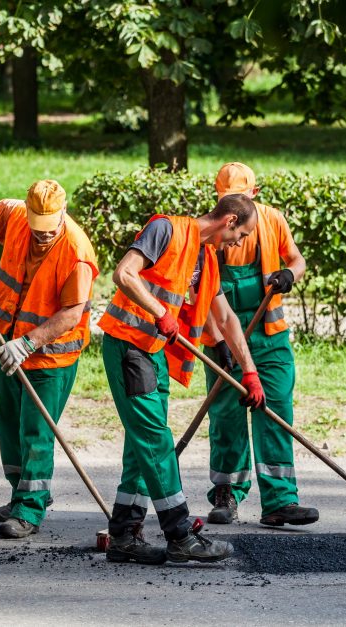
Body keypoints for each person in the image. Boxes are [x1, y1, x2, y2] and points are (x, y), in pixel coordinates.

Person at [97, 194, 266, 565]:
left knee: (140, 445)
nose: (238, 243)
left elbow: (227, 320)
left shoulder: (205, 258)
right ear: (230, 220)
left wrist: (249, 371)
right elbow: (123, 273)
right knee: (156, 440)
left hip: (152, 352)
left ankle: (125, 534)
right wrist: (160, 312)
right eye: (242, 234)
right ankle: (179, 534)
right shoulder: (166, 230)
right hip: (128, 346)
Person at [0, 180, 98, 539]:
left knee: (36, 433)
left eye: (49, 230)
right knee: (10, 428)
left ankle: (31, 509)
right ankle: (21, 495)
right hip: (9, 346)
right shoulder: (17, 216)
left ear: (62, 215)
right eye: (37, 229)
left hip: (50, 359)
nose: (42, 236)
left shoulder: (76, 251)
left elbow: (71, 313)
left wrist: (28, 343)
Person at [201, 162, 318, 527]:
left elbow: (297, 261)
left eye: (240, 200)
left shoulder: (272, 221)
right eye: (227, 202)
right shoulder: (207, 231)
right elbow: (198, 292)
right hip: (224, 340)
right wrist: (219, 342)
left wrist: (289, 275)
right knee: (226, 415)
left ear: (254, 195)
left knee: (276, 409)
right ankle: (227, 495)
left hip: (269, 338)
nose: (234, 213)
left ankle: (280, 500)